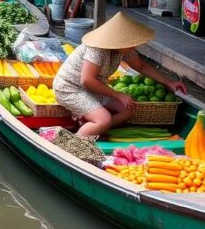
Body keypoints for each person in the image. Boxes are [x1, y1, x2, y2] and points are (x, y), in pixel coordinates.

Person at [54, 13, 187, 138]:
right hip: (70, 88)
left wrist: (168, 82)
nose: (133, 45)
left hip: (93, 89)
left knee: (128, 109)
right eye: (131, 42)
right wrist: (119, 95)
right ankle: (74, 146)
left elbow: (141, 66)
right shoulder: (97, 49)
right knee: (103, 119)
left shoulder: (124, 49)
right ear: (118, 41)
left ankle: (96, 127)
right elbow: (87, 80)